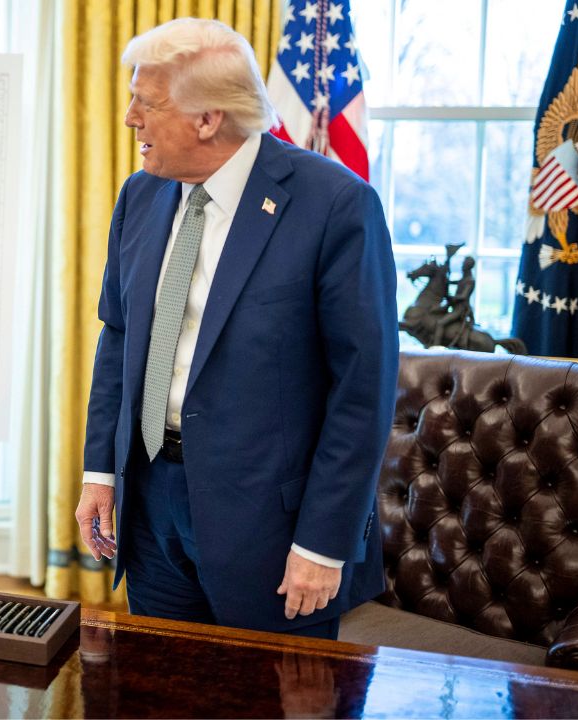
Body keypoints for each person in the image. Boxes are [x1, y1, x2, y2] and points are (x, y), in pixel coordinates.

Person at [75, 18, 398, 640]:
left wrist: (323, 543)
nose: (129, 119)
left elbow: (363, 389)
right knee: (159, 694)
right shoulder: (140, 196)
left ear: (207, 119)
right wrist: (101, 474)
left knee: (272, 702)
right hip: (151, 506)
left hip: (272, 530)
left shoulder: (334, 204)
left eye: (146, 102)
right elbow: (117, 339)